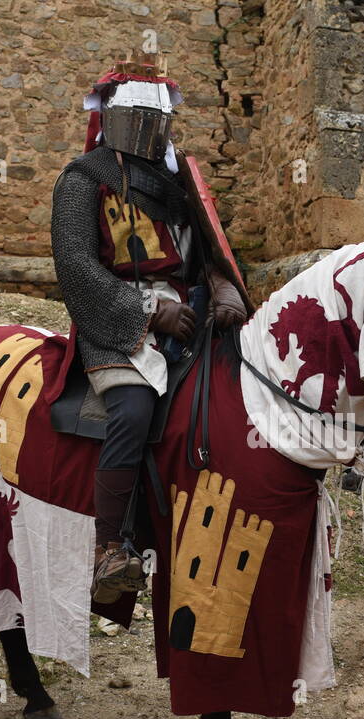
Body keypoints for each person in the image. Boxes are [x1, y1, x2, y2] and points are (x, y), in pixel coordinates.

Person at [51, 58, 248, 604]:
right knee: (134, 409)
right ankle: (109, 548)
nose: (151, 130)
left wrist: (225, 286)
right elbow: (74, 266)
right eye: (139, 117)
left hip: (193, 312)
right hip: (117, 325)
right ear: (114, 117)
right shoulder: (82, 179)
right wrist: (144, 310)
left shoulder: (179, 183)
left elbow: (209, 251)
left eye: (158, 119)